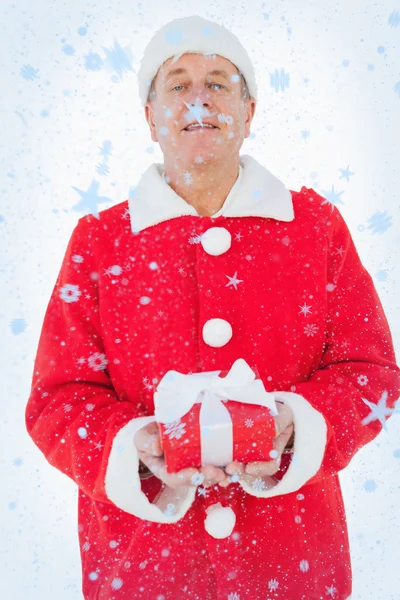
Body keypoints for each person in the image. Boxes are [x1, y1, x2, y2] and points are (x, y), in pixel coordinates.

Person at [25, 15, 400, 600]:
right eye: (177, 84)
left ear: (249, 112)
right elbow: (57, 402)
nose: (198, 99)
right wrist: (136, 447)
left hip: (294, 563)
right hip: (147, 568)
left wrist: (295, 427)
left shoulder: (314, 228)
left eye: (219, 82)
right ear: (150, 116)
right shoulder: (101, 242)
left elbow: (371, 374)